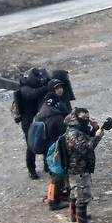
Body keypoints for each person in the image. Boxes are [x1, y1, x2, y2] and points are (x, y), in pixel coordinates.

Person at [64, 107, 105, 223]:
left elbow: (87, 138)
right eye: (85, 118)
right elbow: (86, 147)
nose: (87, 120)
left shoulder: (77, 129)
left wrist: (94, 128)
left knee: (74, 192)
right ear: (77, 118)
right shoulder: (73, 133)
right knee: (82, 194)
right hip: (78, 168)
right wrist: (97, 137)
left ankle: (74, 215)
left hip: (77, 166)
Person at [35, 79, 71, 210]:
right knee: (58, 175)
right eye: (57, 88)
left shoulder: (42, 111)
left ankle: (52, 197)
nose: (60, 90)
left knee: (53, 175)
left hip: (46, 148)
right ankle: (54, 202)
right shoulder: (56, 116)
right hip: (55, 148)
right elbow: (63, 134)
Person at [13, 67, 49, 180]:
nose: (40, 80)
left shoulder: (36, 85)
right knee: (31, 145)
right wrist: (47, 86)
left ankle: (47, 165)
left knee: (46, 140)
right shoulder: (24, 87)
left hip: (39, 118)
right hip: (27, 121)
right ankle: (31, 169)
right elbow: (33, 94)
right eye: (38, 78)